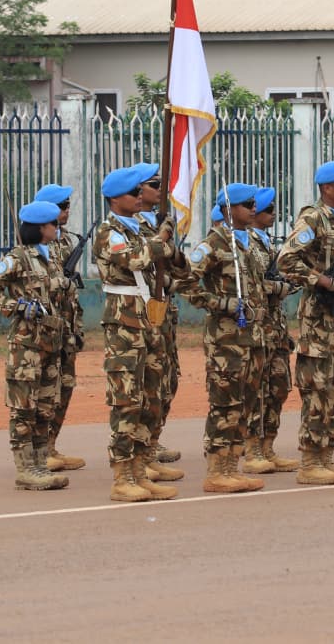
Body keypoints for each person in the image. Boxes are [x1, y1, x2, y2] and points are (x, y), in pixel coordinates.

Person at [94, 163, 180, 502]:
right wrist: (162, 240)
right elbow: (134, 259)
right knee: (127, 400)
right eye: (134, 193)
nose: (140, 197)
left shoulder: (143, 227)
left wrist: (164, 242)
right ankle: (122, 476)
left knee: (151, 397)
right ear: (116, 199)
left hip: (151, 320)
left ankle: (141, 470)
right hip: (125, 323)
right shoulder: (109, 232)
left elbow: (169, 262)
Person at [276, 160, 334, 485]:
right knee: (318, 391)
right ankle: (311, 462)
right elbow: (287, 259)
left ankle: (327, 458)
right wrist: (324, 281)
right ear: (327, 188)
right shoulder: (313, 218)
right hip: (320, 321)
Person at [184, 183, 268, 493]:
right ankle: (217, 469)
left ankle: (232, 466)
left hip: (252, 337)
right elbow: (187, 284)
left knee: (245, 403)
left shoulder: (249, 243)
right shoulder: (213, 244)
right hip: (225, 340)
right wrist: (221, 304)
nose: (254, 208)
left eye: (254, 203)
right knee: (224, 403)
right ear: (227, 210)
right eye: (247, 204)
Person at [0, 201, 70, 491]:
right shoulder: (17, 257)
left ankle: (41, 463)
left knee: (45, 406)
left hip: (51, 342)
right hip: (26, 344)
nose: (57, 228)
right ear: (41, 227)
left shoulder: (51, 256)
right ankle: (25, 468)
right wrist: (17, 307)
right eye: (53, 224)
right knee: (24, 407)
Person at [135, 167, 188, 469]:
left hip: (164, 312)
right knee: (146, 383)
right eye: (154, 185)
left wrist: (170, 247)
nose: (160, 190)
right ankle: (142, 447)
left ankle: (153, 440)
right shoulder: (132, 227)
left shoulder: (156, 224)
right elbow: (142, 259)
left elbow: (180, 268)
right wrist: (162, 236)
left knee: (167, 380)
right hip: (142, 314)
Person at [35, 183, 89, 472]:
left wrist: (76, 328)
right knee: (44, 390)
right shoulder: (34, 242)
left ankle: (51, 443)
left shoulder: (68, 240)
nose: (67, 210)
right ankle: (38, 448)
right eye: (62, 206)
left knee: (65, 386)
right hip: (45, 327)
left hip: (67, 326)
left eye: (68, 205)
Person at [248, 186, 300, 471]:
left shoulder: (267, 243)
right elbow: (248, 283)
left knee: (278, 388)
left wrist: (287, 284)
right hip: (257, 328)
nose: (273, 214)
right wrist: (275, 287)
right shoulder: (244, 243)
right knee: (257, 390)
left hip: (276, 327)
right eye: (268, 210)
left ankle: (268, 446)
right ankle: (252, 448)